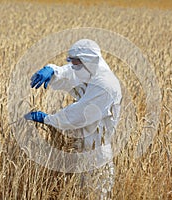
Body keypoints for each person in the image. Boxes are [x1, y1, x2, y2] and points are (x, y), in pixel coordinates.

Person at [24, 39, 122, 199]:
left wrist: (49, 119)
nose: (73, 66)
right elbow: (70, 73)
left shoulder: (105, 84)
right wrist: (53, 71)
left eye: (76, 63)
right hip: (83, 152)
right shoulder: (90, 71)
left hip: (96, 155)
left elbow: (79, 114)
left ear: (87, 61)